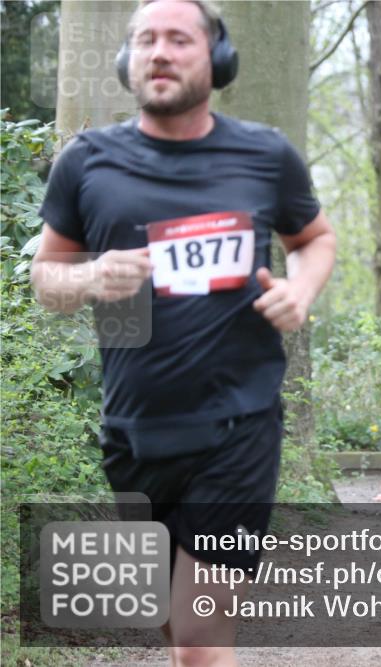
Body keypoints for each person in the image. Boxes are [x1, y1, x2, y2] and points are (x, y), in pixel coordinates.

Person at [30, 1, 336, 665]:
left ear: (216, 57)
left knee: (199, 636)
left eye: (178, 38)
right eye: (145, 40)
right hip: (134, 432)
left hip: (240, 424)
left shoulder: (264, 154)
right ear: (126, 60)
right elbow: (46, 277)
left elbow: (313, 239)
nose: (159, 52)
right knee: (173, 626)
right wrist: (88, 278)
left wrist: (300, 290)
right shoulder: (86, 162)